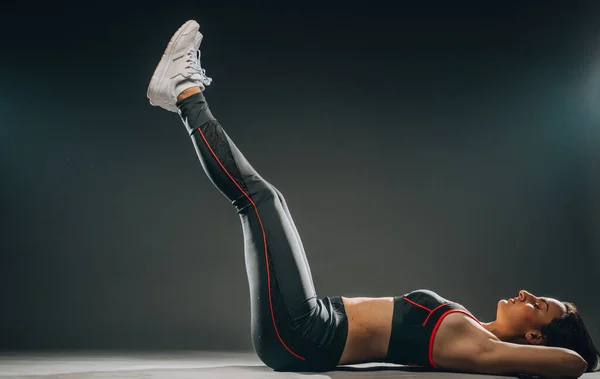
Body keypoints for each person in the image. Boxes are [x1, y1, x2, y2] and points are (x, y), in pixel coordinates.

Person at [146, 20, 599, 377]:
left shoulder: (481, 348)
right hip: (311, 323)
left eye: (538, 305)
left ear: (538, 337)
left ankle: (186, 92)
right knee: (266, 201)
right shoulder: (474, 331)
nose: (528, 295)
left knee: (260, 201)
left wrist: (571, 351)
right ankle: (181, 94)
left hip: (303, 336)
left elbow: (574, 364)